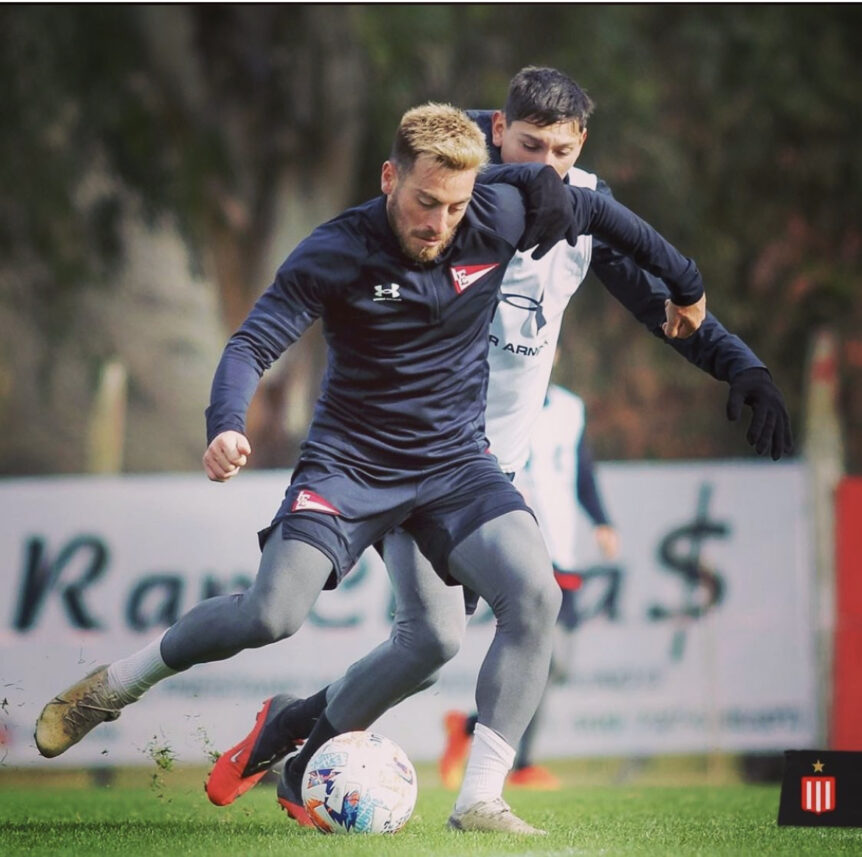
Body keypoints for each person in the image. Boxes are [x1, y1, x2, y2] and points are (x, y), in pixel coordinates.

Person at [34, 101, 710, 836]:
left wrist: (687, 284)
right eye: (423, 202)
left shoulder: (497, 211)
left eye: (454, 207)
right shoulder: (338, 249)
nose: (437, 223)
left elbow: (607, 218)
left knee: (526, 599)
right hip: (351, 463)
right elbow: (249, 346)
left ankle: (479, 798)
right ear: (390, 177)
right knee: (271, 614)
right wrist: (225, 424)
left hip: (455, 464)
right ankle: (113, 687)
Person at [201, 70, 791, 833]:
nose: (549, 168)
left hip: (488, 470)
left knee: (427, 641)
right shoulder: (457, 199)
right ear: (495, 133)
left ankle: (297, 729)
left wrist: (740, 363)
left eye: (565, 153)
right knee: (441, 629)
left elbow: (665, 304)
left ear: (583, 150)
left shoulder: (580, 212)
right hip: (411, 453)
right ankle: (423, 784)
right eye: (531, 147)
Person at [440, 379, 620, 791]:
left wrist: (602, 520)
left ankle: (467, 730)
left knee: (558, 663)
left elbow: (582, 471)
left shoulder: (570, 407)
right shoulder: (496, 394)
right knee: (540, 654)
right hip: (518, 537)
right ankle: (520, 765)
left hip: (562, 548)